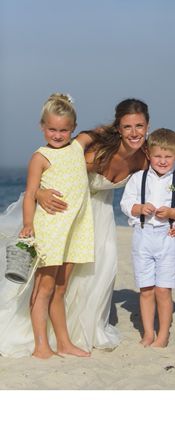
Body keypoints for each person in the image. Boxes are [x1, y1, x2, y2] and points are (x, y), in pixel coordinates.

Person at [1, 98, 154, 356]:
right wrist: (38, 195)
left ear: (148, 126)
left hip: (93, 220)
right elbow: (51, 175)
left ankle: (68, 338)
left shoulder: (145, 158)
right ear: (118, 127)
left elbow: (162, 180)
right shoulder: (86, 148)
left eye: (139, 126)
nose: (134, 132)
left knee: (87, 279)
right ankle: (41, 343)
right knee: (46, 285)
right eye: (127, 126)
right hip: (61, 216)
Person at [0, 93, 94, 358]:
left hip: (75, 230)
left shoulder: (78, 146)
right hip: (50, 229)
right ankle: (42, 346)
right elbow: (30, 193)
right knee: (44, 287)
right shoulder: (40, 157)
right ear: (42, 127)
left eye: (64, 129)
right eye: (52, 129)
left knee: (61, 288)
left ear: (73, 128)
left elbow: (102, 131)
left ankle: (63, 342)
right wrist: (28, 223)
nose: (57, 134)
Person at [120, 129, 175, 348]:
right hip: (142, 237)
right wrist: (140, 208)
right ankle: (148, 333)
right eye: (158, 156)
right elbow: (125, 204)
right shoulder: (138, 178)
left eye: (168, 157)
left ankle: (163, 334)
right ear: (148, 153)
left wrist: (173, 214)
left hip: (167, 238)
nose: (162, 161)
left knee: (163, 289)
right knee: (145, 289)